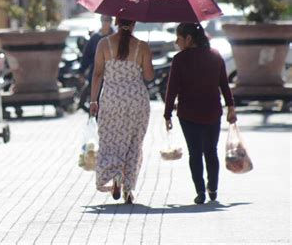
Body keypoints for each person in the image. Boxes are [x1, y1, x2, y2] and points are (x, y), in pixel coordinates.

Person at [164, 23, 237, 205]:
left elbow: (171, 90)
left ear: (189, 39)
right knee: (211, 151)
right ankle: (212, 187)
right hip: (213, 112)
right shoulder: (215, 56)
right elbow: (224, 85)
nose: (176, 42)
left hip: (188, 114)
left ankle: (200, 192)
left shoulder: (179, 60)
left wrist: (167, 115)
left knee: (194, 153)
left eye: (179, 38)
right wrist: (231, 107)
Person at [90, 18, 154, 204]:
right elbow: (149, 76)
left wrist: (93, 100)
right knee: (134, 143)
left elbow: (97, 73)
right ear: (134, 24)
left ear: (116, 22)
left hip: (111, 100)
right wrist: (145, 58)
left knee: (110, 141)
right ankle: (128, 190)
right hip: (136, 101)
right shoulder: (141, 46)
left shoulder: (104, 43)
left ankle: (115, 174)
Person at [79, 15, 114, 85]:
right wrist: (81, 72)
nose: (105, 23)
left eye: (107, 20)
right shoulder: (95, 38)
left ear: (111, 22)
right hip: (96, 72)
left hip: (112, 74)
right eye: (103, 20)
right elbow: (86, 55)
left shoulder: (115, 37)